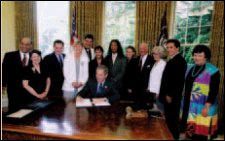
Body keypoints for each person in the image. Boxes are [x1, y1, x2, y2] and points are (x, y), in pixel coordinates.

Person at [180, 45, 220, 140]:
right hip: (188, 104)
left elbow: (214, 91)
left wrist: (207, 106)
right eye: (195, 55)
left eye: (200, 55)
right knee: (189, 129)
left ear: (206, 57)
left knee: (200, 132)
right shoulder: (190, 68)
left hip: (203, 105)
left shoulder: (213, 71)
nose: (196, 58)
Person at [159, 39, 187, 140]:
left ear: (177, 48)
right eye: (168, 47)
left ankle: (174, 138)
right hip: (168, 95)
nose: (169, 49)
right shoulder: (172, 60)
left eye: (171, 47)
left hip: (172, 97)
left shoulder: (180, 61)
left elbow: (177, 81)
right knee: (169, 121)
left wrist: (170, 94)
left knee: (173, 121)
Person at [2, 37, 32, 112]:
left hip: (30, 90)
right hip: (14, 90)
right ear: (19, 44)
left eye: (27, 44)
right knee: (14, 112)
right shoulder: (9, 55)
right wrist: (2, 85)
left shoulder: (35, 56)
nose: (24, 46)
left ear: (31, 45)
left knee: (30, 112)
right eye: (22, 43)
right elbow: (4, 71)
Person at [133, 42, 155, 110]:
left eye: (143, 48)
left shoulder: (152, 60)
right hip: (136, 90)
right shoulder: (136, 59)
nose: (141, 50)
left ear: (147, 49)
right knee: (136, 110)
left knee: (145, 109)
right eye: (140, 48)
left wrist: (149, 87)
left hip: (146, 90)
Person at [147, 46, 167, 114]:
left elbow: (162, 79)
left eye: (156, 54)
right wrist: (149, 87)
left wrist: (159, 92)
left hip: (159, 91)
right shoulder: (155, 63)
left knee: (160, 111)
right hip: (153, 90)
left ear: (161, 54)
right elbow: (152, 77)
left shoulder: (163, 64)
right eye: (153, 53)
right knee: (155, 109)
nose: (154, 55)